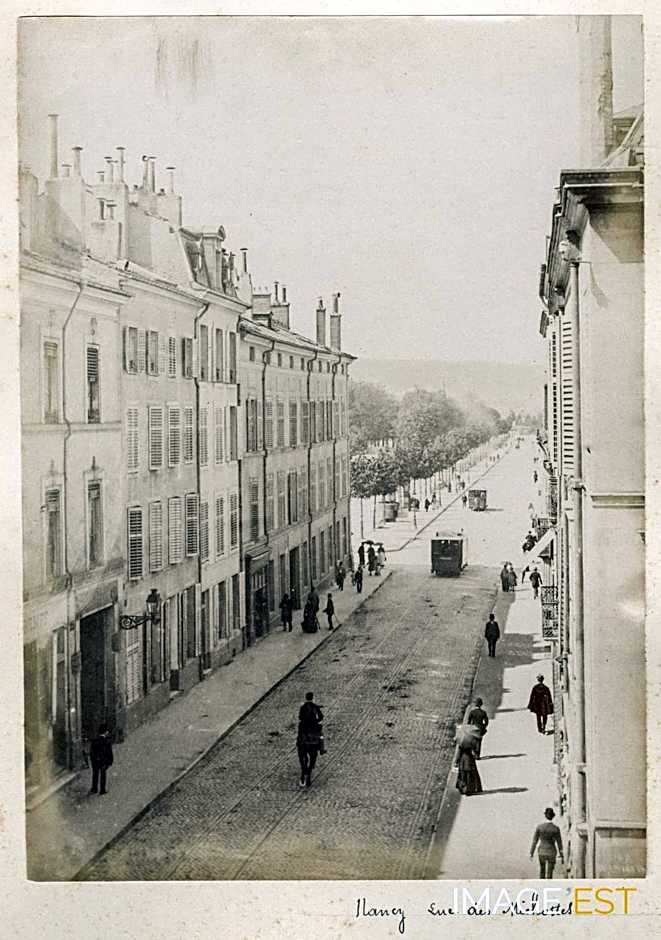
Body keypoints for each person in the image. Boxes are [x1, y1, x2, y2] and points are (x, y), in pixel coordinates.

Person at [297, 692, 325, 786]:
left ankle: (299, 743)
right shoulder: (315, 707)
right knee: (321, 735)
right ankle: (322, 748)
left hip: (304, 727)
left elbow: (300, 717)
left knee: (300, 734)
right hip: (313, 728)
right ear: (312, 698)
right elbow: (321, 717)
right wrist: (316, 721)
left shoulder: (303, 707)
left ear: (306, 697)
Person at [530, 807, 564, 878]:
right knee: (550, 872)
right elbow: (559, 842)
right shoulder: (555, 828)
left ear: (545, 816)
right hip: (552, 851)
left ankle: (541, 885)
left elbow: (535, 841)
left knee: (542, 870)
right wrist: (561, 854)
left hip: (542, 851)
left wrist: (531, 853)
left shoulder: (540, 827)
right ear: (553, 817)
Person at [89, 723, 113, 795]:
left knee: (95, 774)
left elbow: (92, 752)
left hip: (96, 761)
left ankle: (94, 788)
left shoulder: (95, 741)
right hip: (103, 761)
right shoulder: (107, 742)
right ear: (105, 732)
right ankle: (102, 789)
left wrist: (93, 760)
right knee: (103, 775)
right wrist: (110, 761)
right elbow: (109, 753)